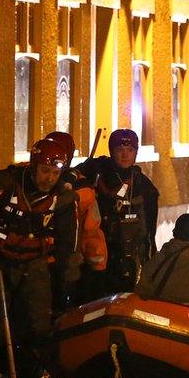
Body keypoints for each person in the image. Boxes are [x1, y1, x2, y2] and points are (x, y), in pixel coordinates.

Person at [0, 138, 81, 378]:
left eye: (56, 173)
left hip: (33, 263)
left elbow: (67, 245)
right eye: (45, 171)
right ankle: (6, 367)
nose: (49, 178)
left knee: (39, 322)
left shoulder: (64, 199)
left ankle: (30, 374)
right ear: (33, 166)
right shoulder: (2, 185)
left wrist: (64, 283)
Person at [75, 128, 159, 294]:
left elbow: (150, 230)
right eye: (120, 150)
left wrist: (149, 258)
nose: (125, 155)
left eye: (130, 150)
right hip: (98, 254)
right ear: (112, 151)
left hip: (128, 257)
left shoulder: (145, 187)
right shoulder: (98, 172)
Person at [44, 131, 107, 308]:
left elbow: (91, 232)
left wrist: (97, 268)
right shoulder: (29, 184)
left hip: (65, 265)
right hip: (36, 262)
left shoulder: (82, 191)